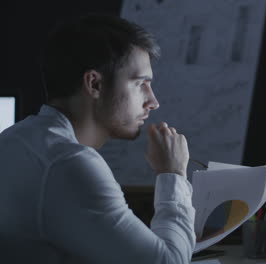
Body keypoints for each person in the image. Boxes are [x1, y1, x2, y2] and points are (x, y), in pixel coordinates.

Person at [0, 15, 195, 263]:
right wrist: (173, 174)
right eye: (140, 84)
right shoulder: (69, 163)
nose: (153, 102)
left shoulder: (15, 138)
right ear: (95, 84)